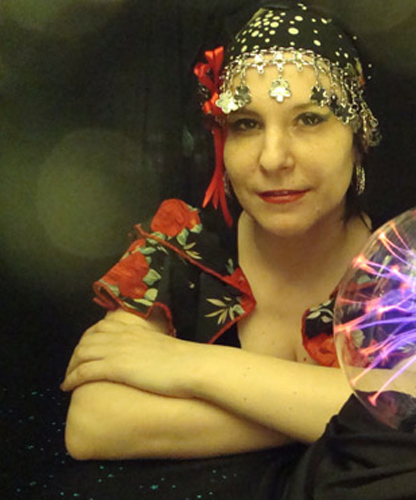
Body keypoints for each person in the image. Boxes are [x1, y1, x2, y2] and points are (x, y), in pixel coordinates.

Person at [66, 3, 376, 466]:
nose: (273, 159)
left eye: (309, 119)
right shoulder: (183, 250)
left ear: (359, 134)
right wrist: (316, 411)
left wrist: (184, 365)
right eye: (246, 125)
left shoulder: (408, 268)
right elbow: (94, 424)